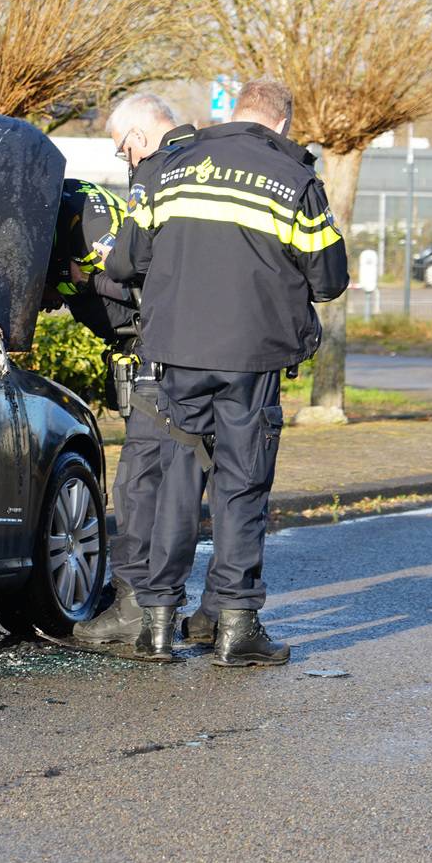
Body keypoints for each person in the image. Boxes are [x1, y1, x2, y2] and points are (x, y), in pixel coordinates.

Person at [106, 79, 348, 666]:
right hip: (252, 358)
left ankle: (157, 624)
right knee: (242, 485)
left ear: (235, 113)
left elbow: (125, 261)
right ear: (283, 124)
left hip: (176, 352)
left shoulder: (170, 167)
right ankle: (236, 627)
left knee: (176, 481)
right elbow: (330, 279)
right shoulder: (295, 181)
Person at [53, 93, 197, 650]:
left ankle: (139, 605)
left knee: (141, 486)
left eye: (122, 150)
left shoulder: (145, 183)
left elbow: (133, 275)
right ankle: (187, 609)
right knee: (190, 483)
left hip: (159, 354)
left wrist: (78, 280)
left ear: (137, 138)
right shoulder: (198, 169)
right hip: (200, 351)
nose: (125, 160)